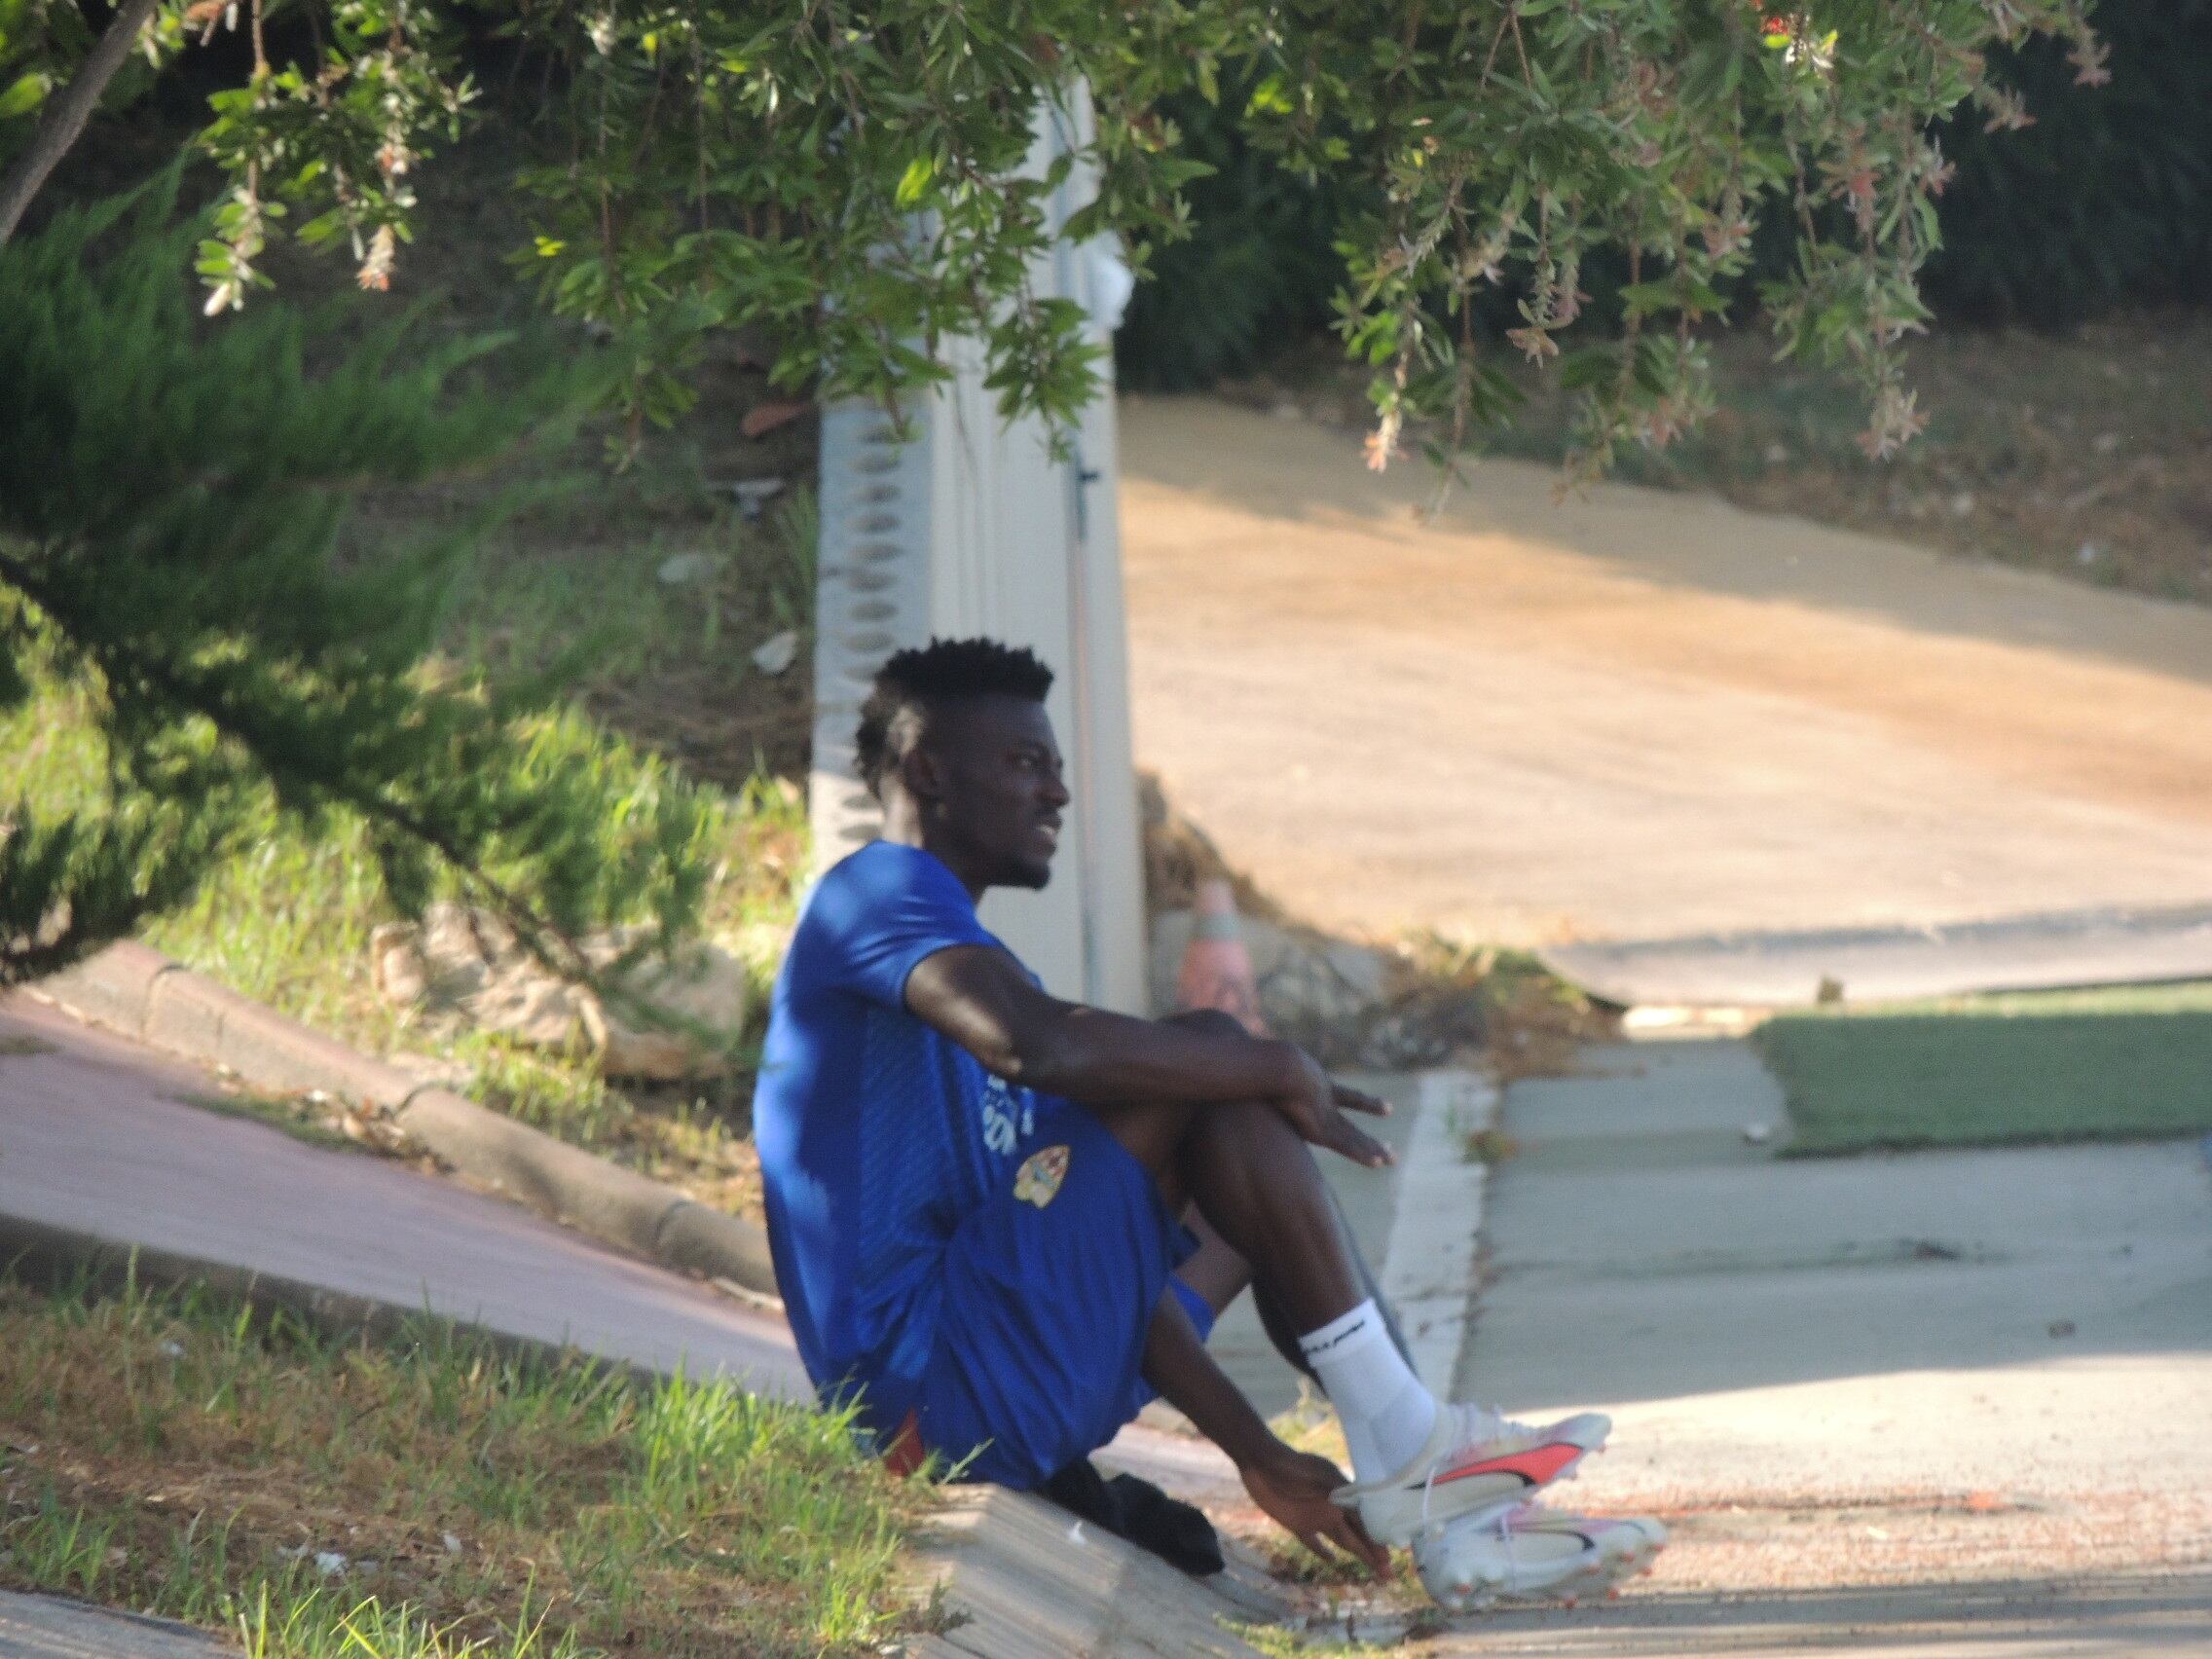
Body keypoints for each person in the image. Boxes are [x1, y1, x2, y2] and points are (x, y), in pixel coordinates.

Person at [754, 637, 1657, 1602]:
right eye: (1024, 763)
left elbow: (1100, 1276)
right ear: (928, 769)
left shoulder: (981, 975)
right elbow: (1034, 1044)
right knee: (1208, 1052)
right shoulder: (877, 893)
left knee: (1228, 1117)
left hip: (997, 1380)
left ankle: (1445, 1513)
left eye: (1055, 767)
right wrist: (1270, 1060)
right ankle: (1411, 1449)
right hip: (928, 1395)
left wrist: (1254, 1451)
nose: (1056, 793)